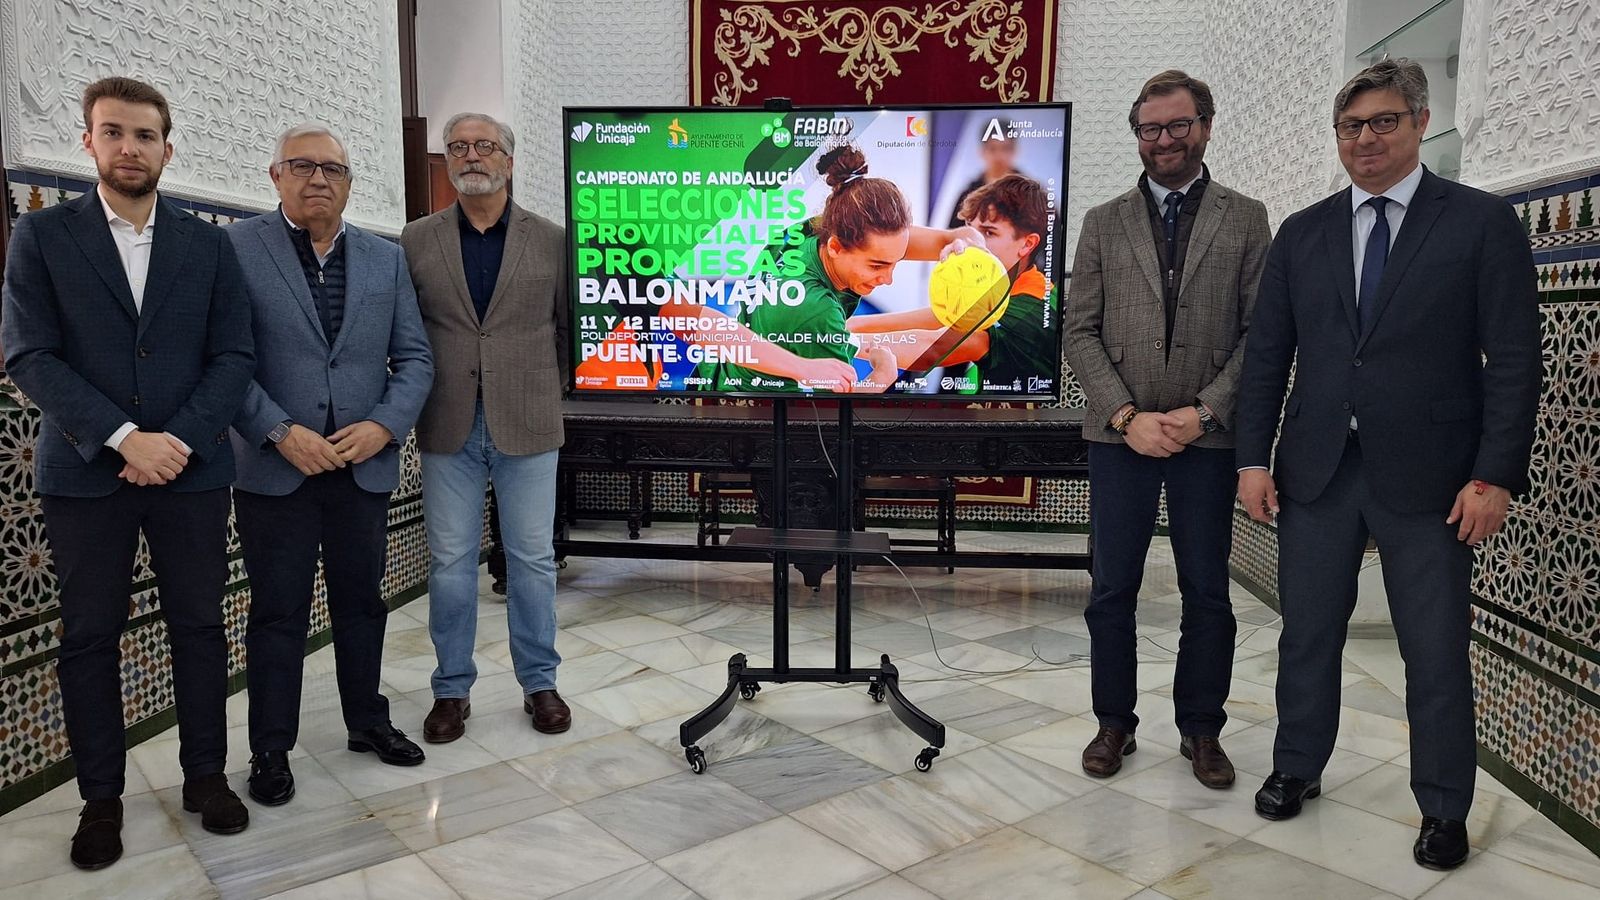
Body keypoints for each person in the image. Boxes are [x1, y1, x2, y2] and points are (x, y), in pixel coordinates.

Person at [1235, 58, 1540, 869]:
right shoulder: (1304, 233)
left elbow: (1514, 361)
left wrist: (1495, 475)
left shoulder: (1479, 223)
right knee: (1307, 635)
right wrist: (1250, 462)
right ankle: (1298, 765)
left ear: (1419, 122)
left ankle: (1443, 807)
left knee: (1433, 649)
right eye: (1350, 126)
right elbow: (1268, 357)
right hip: (1319, 470)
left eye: (1382, 122)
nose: (1364, 139)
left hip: (1435, 478)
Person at [0, 76, 255, 868]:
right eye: (113, 132)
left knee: (201, 628)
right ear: (89, 142)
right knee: (88, 638)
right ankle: (100, 800)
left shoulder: (209, 245)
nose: (130, 148)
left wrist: (172, 439)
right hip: (83, 474)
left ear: (167, 148)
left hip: (193, 469)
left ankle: (205, 776)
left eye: (145, 135)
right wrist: (121, 437)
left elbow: (234, 354)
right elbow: (28, 354)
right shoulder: (42, 238)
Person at [1063, 70, 1271, 787]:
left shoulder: (1246, 218)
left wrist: (1204, 411)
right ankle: (1112, 722)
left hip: (1206, 440)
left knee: (1206, 592)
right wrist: (1126, 416)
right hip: (1119, 437)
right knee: (1111, 590)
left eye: (1177, 126)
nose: (1163, 142)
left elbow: (1260, 333)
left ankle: (1202, 729)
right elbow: (1079, 329)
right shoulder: (1102, 221)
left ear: (1205, 127)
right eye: (1150, 129)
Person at [226, 124, 435, 806]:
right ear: (275, 174)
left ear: (349, 183)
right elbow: (224, 361)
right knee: (278, 613)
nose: (319, 179)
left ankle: (366, 722)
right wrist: (279, 431)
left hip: (360, 470)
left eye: (334, 169)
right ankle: (269, 751)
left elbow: (415, 359)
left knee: (362, 604)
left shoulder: (385, 259)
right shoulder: (234, 249)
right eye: (304, 166)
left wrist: (384, 425)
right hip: (275, 469)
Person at [401, 113, 571, 741]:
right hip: (447, 423)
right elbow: (408, 331)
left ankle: (539, 682)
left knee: (532, 560)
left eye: (484, 146)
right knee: (448, 562)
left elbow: (566, 331)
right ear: (446, 160)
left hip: (528, 421)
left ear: (509, 159)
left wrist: (542, 390)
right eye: (458, 147)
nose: (471, 155)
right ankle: (451, 690)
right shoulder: (416, 240)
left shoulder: (551, 239)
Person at [701, 144, 976, 393]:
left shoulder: (809, 231)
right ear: (835, 247)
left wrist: (965, 247)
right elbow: (839, 420)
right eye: (877, 265)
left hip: (720, 378)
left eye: (897, 259)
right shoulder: (815, 311)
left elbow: (958, 237)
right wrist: (884, 374)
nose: (889, 279)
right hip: (761, 421)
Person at [848, 173, 1055, 393]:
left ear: (1027, 244)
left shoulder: (1029, 307)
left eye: (988, 232)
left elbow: (932, 346)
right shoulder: (1008, 287)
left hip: (1018, 424)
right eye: (970, 229)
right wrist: (843, 327)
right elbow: (935, 318)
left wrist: (836, 340)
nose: (971, 243)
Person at [945, 118, 1020, 229]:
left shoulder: (1032, 194)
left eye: (1005, 149)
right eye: (993, 149)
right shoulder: (967, 196)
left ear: (1014, 151)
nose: (999, 156)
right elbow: (953, 236)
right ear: (982, 151)